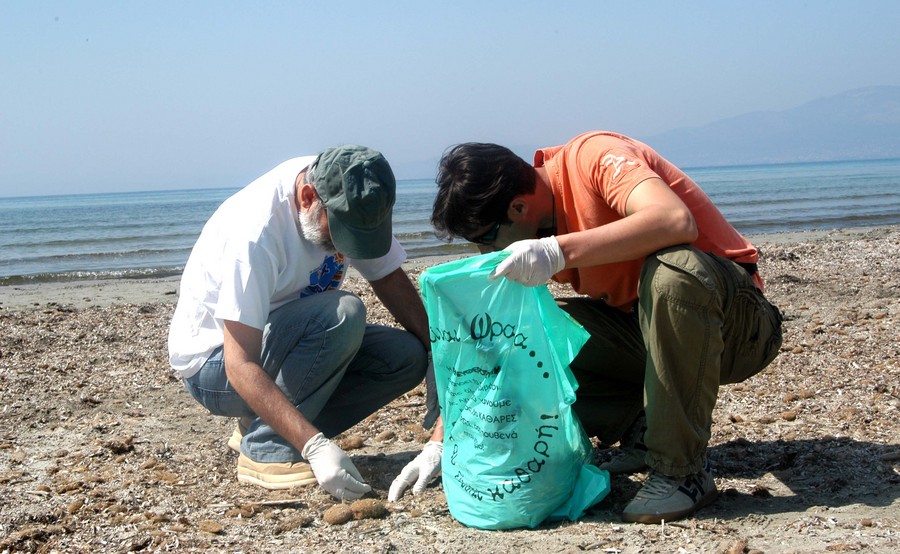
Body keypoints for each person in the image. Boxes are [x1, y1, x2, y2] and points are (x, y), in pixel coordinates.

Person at [429, 131, 783, 523]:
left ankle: (681, 472)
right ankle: (645, 429)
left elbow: (674, 219)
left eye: (486, 239)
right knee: (533, 331)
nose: (487, 253)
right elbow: (504, 336)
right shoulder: (539, 226)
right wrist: (441, 439)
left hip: (738, 327)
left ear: (517, 207)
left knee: (673, 270)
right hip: (645, 331)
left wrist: (557, 251)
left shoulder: (594, 156)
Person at [168, 145, 442, 501]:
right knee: (342, 313)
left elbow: (388, 277)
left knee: (405, 356)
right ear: (309, 196)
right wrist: (313, 446)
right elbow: (239, 365)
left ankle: (263, 425)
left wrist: (439, 349)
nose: (347, 246)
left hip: (287, 345)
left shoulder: (352, 192)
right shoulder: (256, 233)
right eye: (341, 233)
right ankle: (267, 450)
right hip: (215, 366)